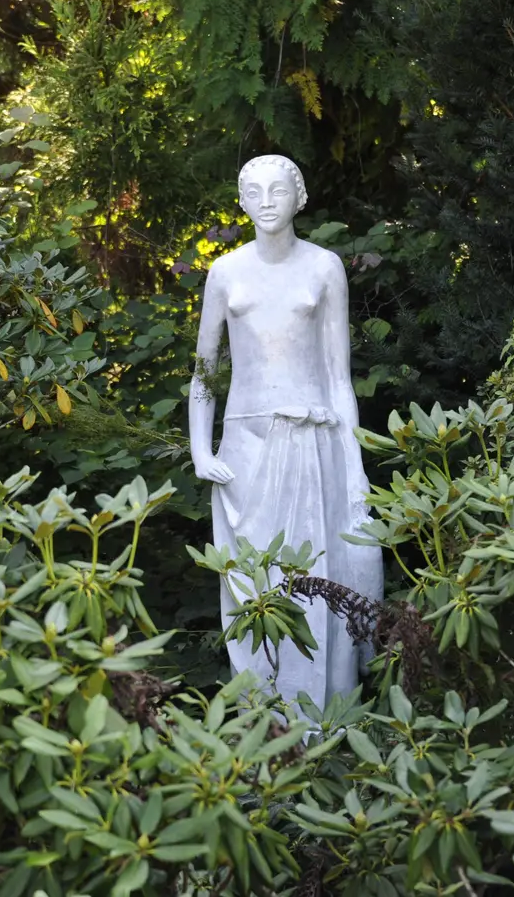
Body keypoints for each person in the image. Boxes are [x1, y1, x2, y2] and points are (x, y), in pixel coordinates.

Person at [187, 154, 383, 714]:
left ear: (299, 198)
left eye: (278, 189)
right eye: (254, 189)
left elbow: (339, 379)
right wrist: (201, 450)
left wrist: (354, 466)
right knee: (254, 584)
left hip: (314, 443)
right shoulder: (225, 272)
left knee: (320, 574)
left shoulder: (323, 268)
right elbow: (203, 372)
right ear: (242, 201)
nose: (266, 199)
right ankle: (264, 724)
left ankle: (327, 720)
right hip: (244, 453)